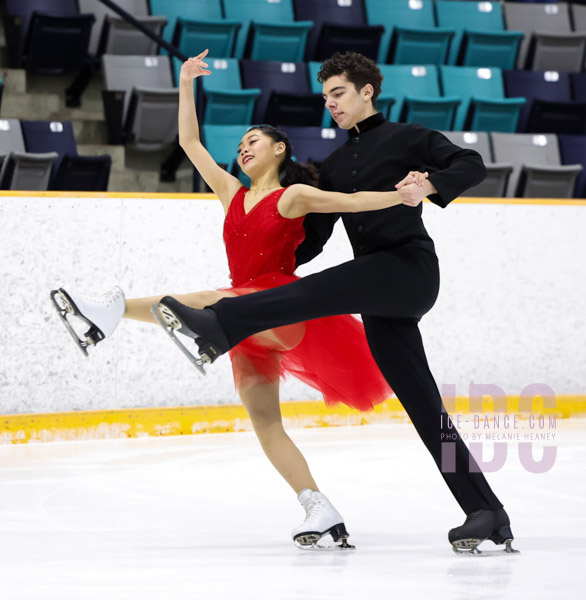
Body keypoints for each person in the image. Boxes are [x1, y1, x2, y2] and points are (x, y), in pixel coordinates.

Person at [51, 50, 428, 551]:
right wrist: (186, 82)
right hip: (243, 326)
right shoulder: (231, 193)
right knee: (265, 422)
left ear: (279, 149)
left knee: (213, 299)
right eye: (241, 144)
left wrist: (403, 195)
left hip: (277, 307)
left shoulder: (290, 197)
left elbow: (353, 201)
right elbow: (189, 141)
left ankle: (108, 313)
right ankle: (318, 505)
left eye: (254, 141)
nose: (243, 148)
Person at [157, 52, 518, 555]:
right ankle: (487, 512)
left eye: (339, 94)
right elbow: (311, 241)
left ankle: (221, 323)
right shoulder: (329, 166)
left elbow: (471, 163)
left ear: (367, 91)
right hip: (375, 290)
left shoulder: (407, 137)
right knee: (423, 407)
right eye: (325, 97)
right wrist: (265, 251)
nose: (330, 105)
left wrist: (428, 185)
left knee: (319, 291)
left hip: (407, 269)